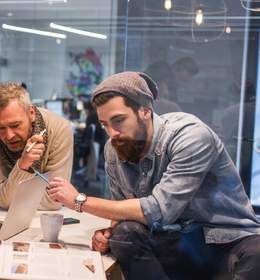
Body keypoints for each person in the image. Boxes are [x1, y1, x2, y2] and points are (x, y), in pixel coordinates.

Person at [48, 71, 260, 280]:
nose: (112, 133)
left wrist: (79, 201)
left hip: (226, 239)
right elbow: (122, 210)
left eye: (119, 120)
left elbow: (159, 210)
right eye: (105, 124)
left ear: (145, 111)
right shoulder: (113, 149)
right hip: (176, 239)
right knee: (124, 235)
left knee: (257, 253)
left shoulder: (190, 136)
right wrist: (109, 233)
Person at [0, 82, 73, 210]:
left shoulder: (59, 128)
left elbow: (54, 200)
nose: (9, 135)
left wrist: (10, 196)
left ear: (31, 113)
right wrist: (23, 166)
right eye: (0, 128)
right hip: (4, 217)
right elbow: (2, 199)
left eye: (15, 125)